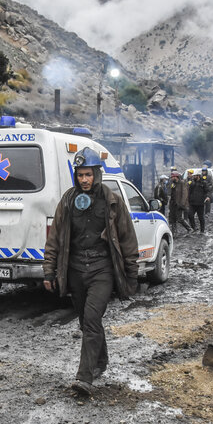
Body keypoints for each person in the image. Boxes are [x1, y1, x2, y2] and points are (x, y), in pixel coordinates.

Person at [43, 147, 139, 394]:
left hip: (102, 270)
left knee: (93, 318)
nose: (84, 179)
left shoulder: (112, 200)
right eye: (80, 175)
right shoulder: (67, 200)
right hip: (75, 270)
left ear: (97, 174)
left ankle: (84, 377)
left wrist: (131, 272)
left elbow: (127, 238)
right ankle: (101, 361)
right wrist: (48, 271)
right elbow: (55, 238)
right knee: (86, 321)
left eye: (88, 174)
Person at [187, 168, 211, 233]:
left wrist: (208, 197)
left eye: (194, 176)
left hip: (200, 203)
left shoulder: (203, 183)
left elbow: (208, 191)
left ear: (198, 176)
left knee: (201, 218)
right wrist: (188, 200)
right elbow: (189, 192)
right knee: (190, 215)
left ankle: (202, 230)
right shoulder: (192, 183)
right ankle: (194, 227)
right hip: (192, 203)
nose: (193, 177)